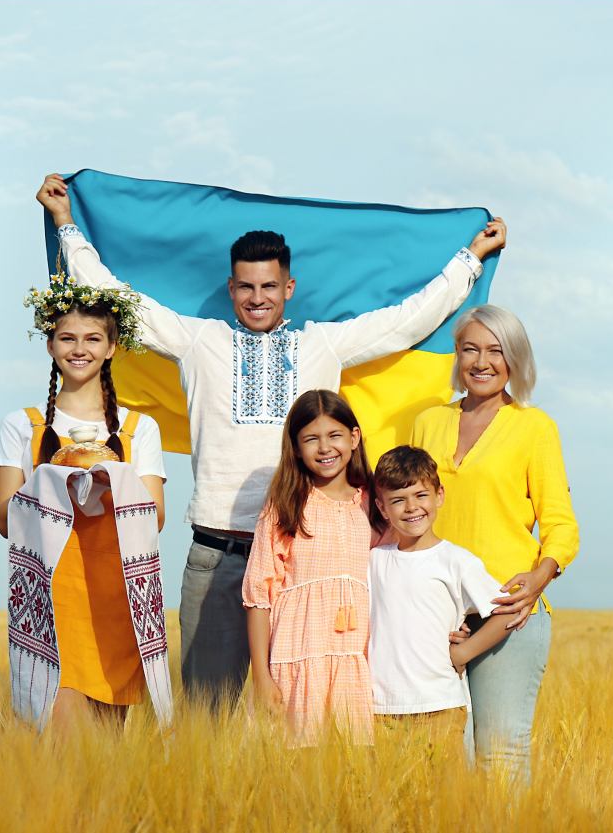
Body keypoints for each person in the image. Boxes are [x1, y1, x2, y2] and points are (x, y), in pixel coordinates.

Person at [36, 173, 506, 710]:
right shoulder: (197, 341)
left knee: (309, 718)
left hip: (309, 563)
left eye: (268, 287)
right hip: (218, 556)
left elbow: (407, 320)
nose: (257, 298)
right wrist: (66, 223)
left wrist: (470, 257)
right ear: (232, 288)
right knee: (204, 723)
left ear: (289, 289)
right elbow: (114, 296)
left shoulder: (323, 344)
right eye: (245, 287)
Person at [0, 276, 168, 734]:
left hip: (119, 600)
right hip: (52, 600)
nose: (79, 348)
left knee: (104, 757)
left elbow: (156, 517)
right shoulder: (22, 425)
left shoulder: (137, 429)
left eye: (93, 338)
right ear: (49, 344)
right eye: (67, 337)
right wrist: (54, 485)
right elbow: (5, 518)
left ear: (112, 347)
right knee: (58, 746)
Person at [409, 304, 578, 781]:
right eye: (470, 349)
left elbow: (561, 525)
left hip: (508, 610)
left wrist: (540, 578)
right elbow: (409, 507)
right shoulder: (428, 423)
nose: (481, 362)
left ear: (514, 360)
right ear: (457, 357)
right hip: (437, 612)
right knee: (438, 760)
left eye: (495, 351)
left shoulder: (534, 427)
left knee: (500, 757)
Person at [242, 390, 385, 745]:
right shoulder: (285, 504)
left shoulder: (375, 502)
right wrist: (262, 676)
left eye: (335, 435)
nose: (325, 448)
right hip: (298, 652)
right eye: (311, 439)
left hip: (358, 656)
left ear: (354, 438)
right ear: (295, 447)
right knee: (293, 766)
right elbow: (259, 596)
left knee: (356, 769)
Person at [368, 445, 517, 763]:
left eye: (421, 495)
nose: (411, 508)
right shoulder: (374, 561)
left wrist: (463, 651)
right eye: (398, 500)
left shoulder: (456, 561)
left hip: (440, 705)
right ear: (383, 509)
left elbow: (510, 611)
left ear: (439, 495)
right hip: (380, 709)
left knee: (442, 803)